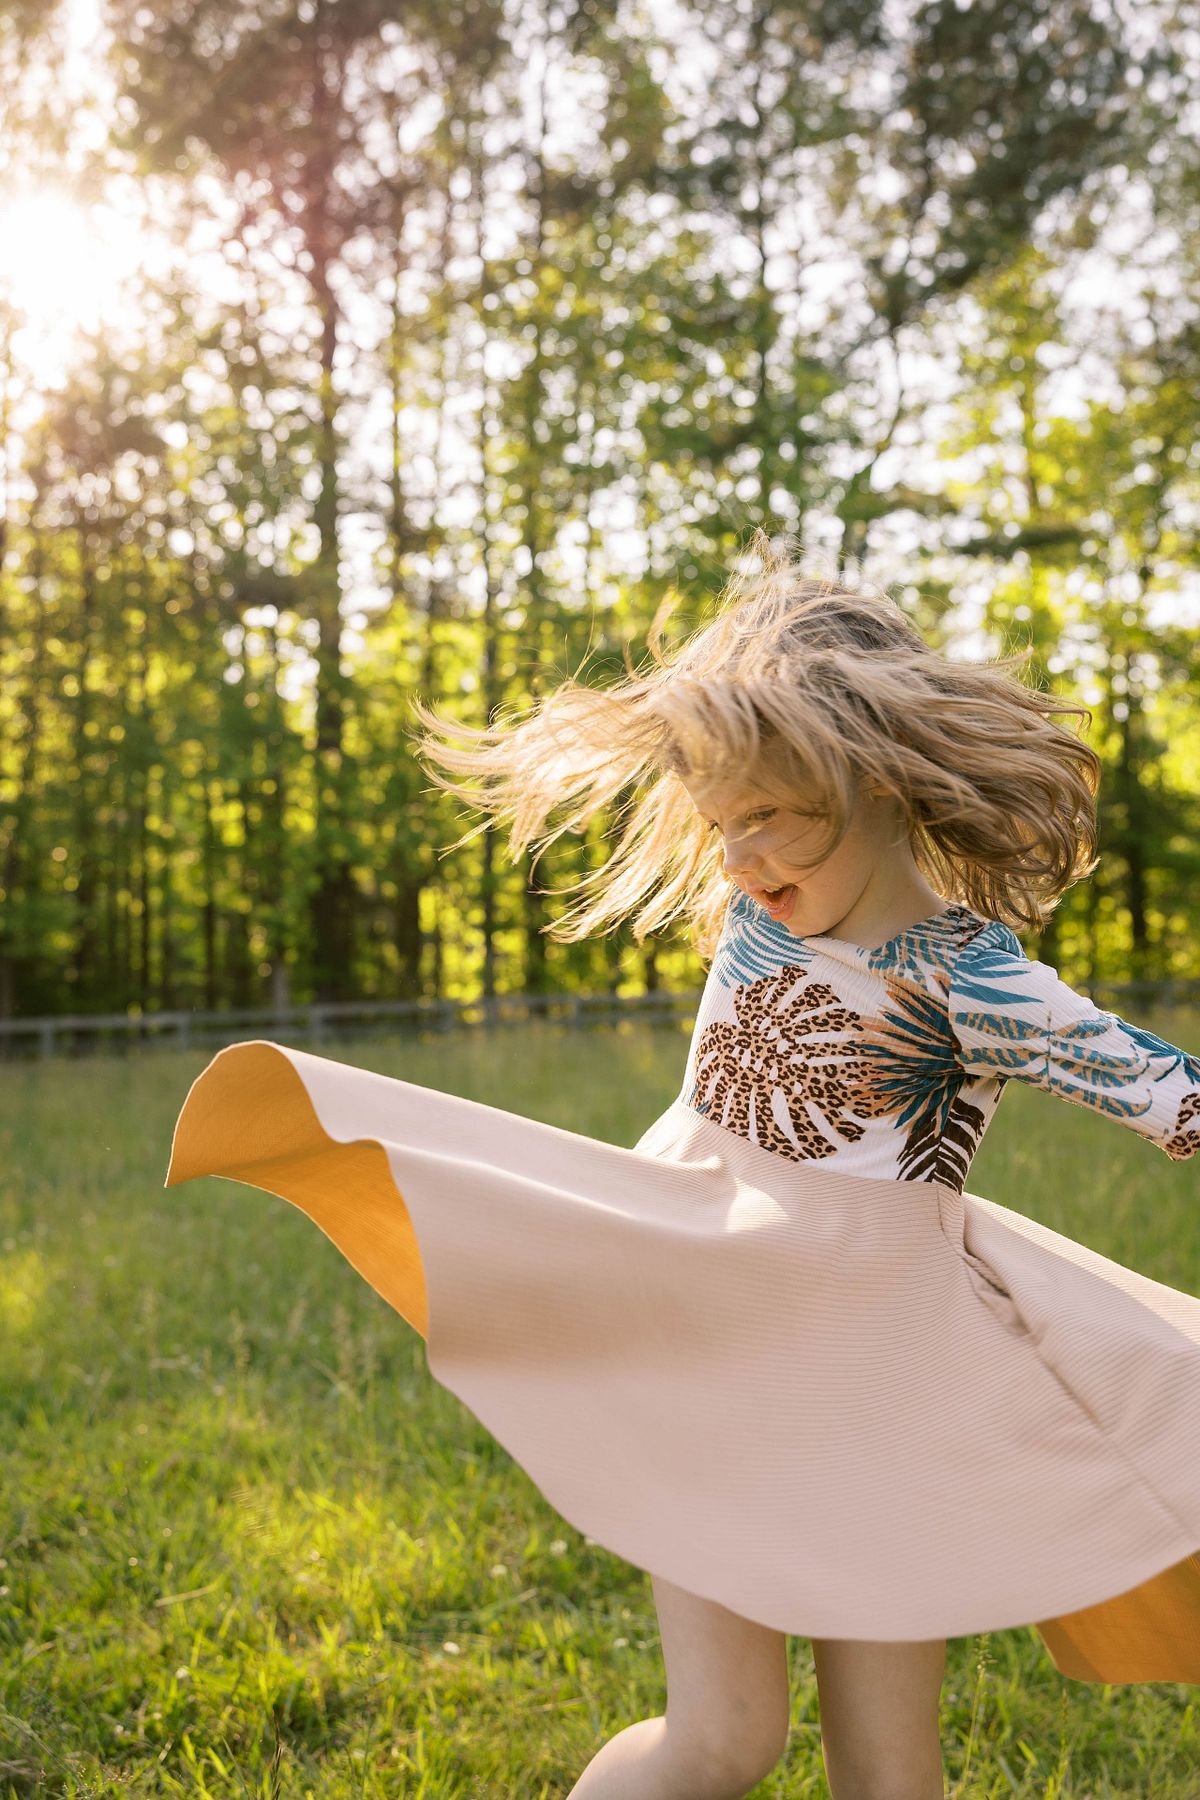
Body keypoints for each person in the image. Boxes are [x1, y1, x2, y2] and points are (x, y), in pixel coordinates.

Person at [164, 529, 1200, 1800]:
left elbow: (1169, 1097)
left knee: (890, 1774)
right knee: (719, 1738)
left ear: (875, 778)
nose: (742, 862)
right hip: (712, 1336)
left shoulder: (971, 974)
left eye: (770, 820)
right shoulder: (757, 912)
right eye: (722, 824)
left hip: (883, 1388)